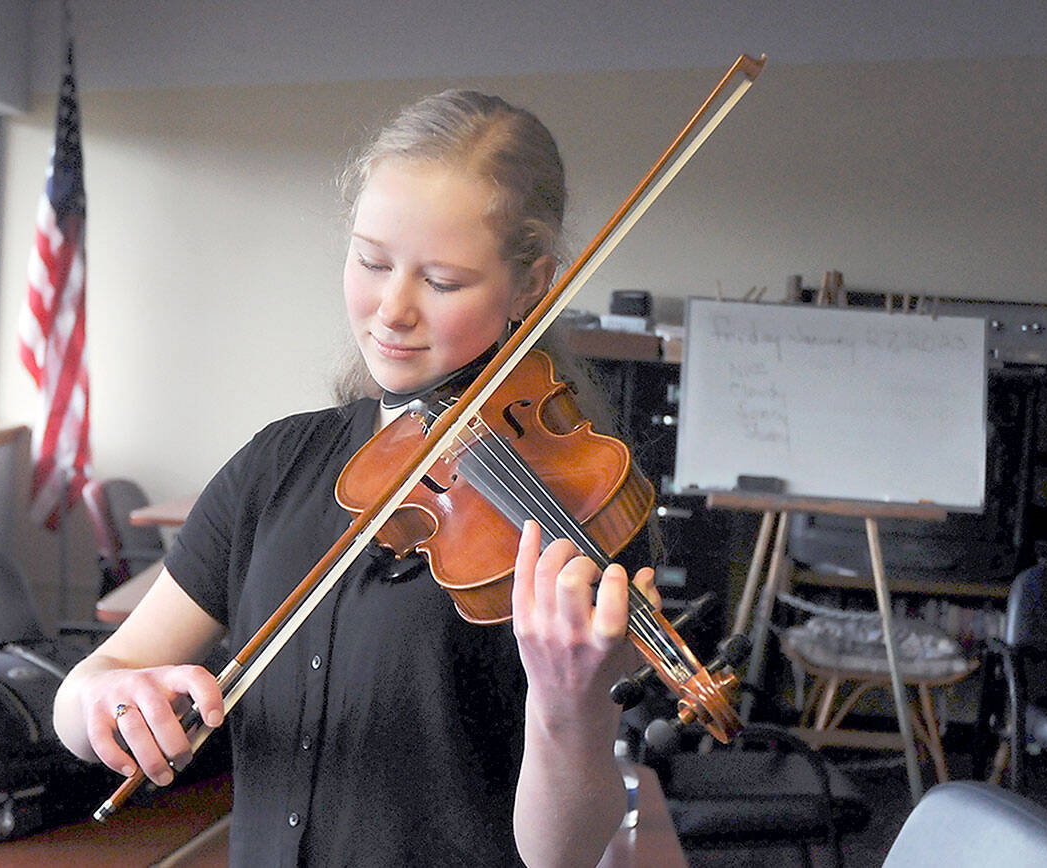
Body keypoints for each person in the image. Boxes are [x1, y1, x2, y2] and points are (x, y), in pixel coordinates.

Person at [53, 89, 688, 868]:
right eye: (372, 260)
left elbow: (566, 855)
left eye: (443, 282)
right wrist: (102, 702)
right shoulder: (275, 466)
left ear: (531, 285)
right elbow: (92, 684)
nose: (392, 310)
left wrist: (569, 708)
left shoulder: (578, 510)